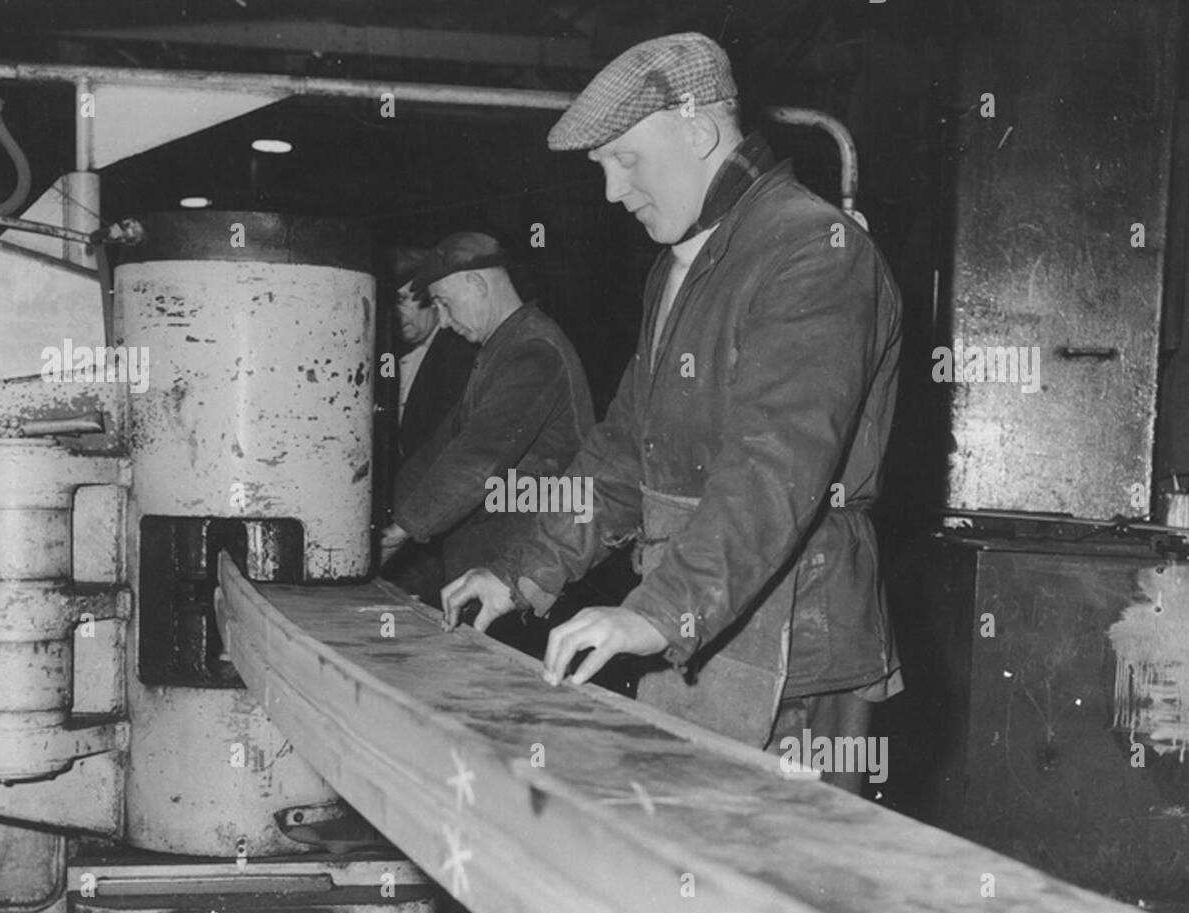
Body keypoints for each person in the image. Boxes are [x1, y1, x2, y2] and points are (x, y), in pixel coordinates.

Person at [441, 32, 904, 793]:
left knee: (768, 896)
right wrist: (521, 570)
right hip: (707, 622)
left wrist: (658, 613)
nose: (612, 192)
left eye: (625, 159)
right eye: (602, 169)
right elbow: (625, 448)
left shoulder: (812, 250)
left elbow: (776, 464)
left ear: (698, 131)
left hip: (791, 642)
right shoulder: (685, 262)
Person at [380, 231, 594, 589]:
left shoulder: (534, 352)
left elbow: (477, 456)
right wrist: (387, 518)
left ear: (477, 283)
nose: (444, 321)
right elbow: (442, 445)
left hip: (526, 566)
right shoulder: (502, 347)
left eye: (445, 303)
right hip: (495, 559)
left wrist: (401, 531)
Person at [382, 247, 478, 601]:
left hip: (439, 537)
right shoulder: (391, 359)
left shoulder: (458, 355)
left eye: (407, 300)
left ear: (436, 302)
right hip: (413, 528)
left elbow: (453, 453)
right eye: (391, 302)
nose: (398, 313)